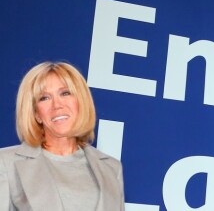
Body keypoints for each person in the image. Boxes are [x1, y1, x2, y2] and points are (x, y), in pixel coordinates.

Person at [0, 61, 125, 211]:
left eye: (65, 93)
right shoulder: (6, 163)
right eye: (44, 98)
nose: (57, 105)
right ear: (36, 114)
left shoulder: (111, 168)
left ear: (81, 102)